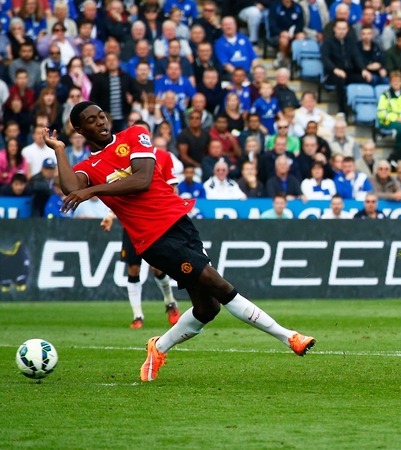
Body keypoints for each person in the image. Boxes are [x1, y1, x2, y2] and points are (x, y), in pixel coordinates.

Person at [49, 101, 315, 382]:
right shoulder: (89, 166)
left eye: (101, 116)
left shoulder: (134, 134)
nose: (100, 122)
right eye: (91, 120)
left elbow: (142, 179)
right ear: (79, 129)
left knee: (208, 308)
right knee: (219, 285)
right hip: (155, 240)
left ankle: (158, 347)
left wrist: (93, 191)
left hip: (180, 223)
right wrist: (60, 150)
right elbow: (71, 187)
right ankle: (289, 337)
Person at [100, 125, 182, 328]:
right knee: (133, 267)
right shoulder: (124, 158)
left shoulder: (163, 156)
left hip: (155, 220)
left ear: (149, 136)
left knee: (157, 266)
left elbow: (172, 188)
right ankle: (138, 316)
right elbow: (120, 191)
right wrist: (110, 214)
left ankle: (170, 302)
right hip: (132, 221)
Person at [321, 20, 370, 113]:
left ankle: (361, 109)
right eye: (339, 29)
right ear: (335, 29)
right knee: (340, 80)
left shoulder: (351, 42)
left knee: (366, 78)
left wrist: (363, 70)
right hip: (333, 73)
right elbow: (325, 58)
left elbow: (356, 57)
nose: (341, 31)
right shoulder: (327, 42)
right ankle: (342, 110)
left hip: (349, 72)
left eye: (344, 29)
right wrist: (335, 69)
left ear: (347, 30)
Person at [377, 72, 401, 155]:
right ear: (390, 83)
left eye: (398, 81)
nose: (396, 83)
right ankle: (399, 151)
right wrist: (396, 119)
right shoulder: (385, 95)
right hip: (388, 121)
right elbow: (381, 113)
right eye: (394, 81)